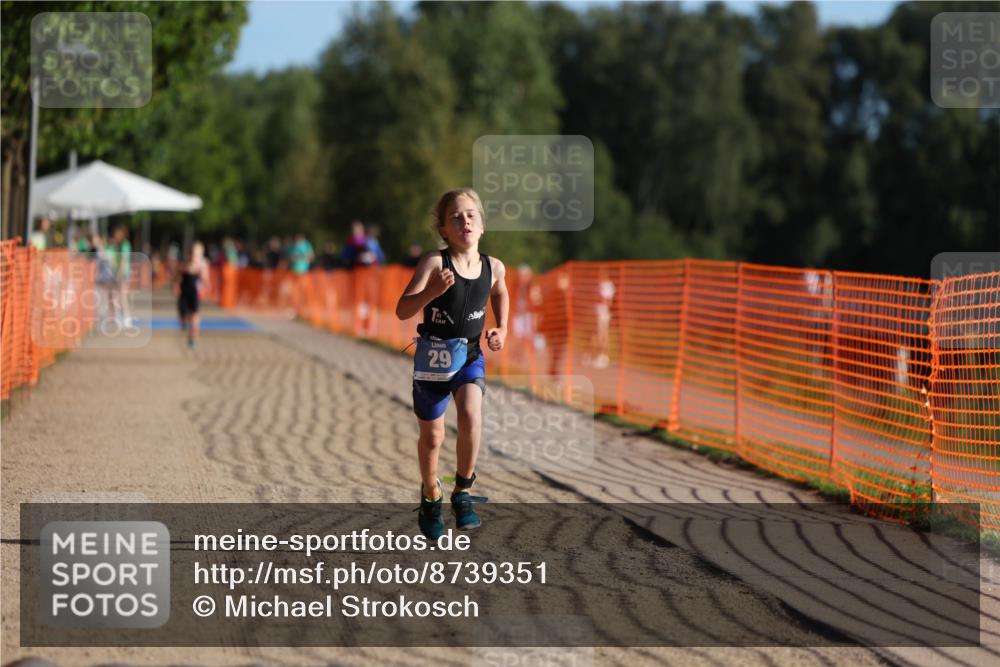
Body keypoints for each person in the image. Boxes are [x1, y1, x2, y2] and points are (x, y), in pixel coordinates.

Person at [395, 188, 509, 539]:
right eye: (456, 217)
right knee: (433, 435)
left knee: (472, 415)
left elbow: (500, 290)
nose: (465, 222)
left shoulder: (494, 266)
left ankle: (462, 490)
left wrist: (502, 327)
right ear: (443, 229)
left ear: (482, 225)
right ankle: (431, 493)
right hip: (432, 357)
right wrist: (430, 293)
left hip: (469, 354)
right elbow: (402, 309)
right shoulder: (434, 262)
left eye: (471, 215)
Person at [174, 241, 210, 348]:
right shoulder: (184, 264)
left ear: (200, 254)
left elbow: (207, 282)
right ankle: (184, 320)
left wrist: (201, 276)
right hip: (184, 293)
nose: (194, 255)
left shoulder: (203, 266)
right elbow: (176, 277)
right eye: (192, 253)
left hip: (195, 294)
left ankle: (192, 339)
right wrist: (175, 285)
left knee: (195, 318)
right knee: (183, 317)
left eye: (197, 253)